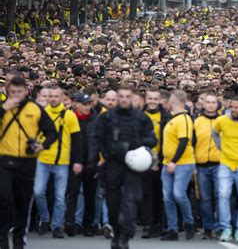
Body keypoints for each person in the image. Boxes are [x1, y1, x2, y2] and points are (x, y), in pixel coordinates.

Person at [89, 84, 156, 249]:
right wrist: (93, 161)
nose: (124, 99)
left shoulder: (141, 117)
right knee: (113, 204)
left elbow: (152, 139)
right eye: (122, 96)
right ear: (117, 98)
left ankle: (125, 235)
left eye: (128, 96)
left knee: (130, 201)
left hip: (133, 166)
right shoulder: (106, 117)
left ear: (132, 98)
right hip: (112, 164)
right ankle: (116, 233)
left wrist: (136, 147)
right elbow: (95, 139)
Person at [0, 76, 57, 249]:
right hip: (4, 160)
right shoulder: (3, 108)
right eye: (13, 92)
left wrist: (42, 145)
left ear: (26, 91)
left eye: (19, 92)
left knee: (22, 203)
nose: (16, 95)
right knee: (3, 199)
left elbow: (52, 132)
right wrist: (4, 109)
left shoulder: (35, 108)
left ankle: (19, 240)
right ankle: (2, 241)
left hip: (27, 162)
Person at [34, 86, 82, 239]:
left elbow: (77, 141)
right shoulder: (41, 114)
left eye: (56, 96)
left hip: (62, 161)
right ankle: (45, 219)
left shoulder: (70, 116)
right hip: (43, 159)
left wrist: (78, 161)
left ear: (62, 98)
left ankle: (56, 226)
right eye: (51, 96)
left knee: (60, 197)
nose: (53, 99)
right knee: (38, 192)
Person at [212, 96, 238, 243]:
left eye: (237, 107)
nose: (234, 110)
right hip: (226, 163)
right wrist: (220, 147)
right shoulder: (222, 120)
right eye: (232, 107)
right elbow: (214, 132)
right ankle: (226, 228)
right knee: (223, 195)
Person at [65, 92, 102, 237]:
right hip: (73, 162)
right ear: (76, 104)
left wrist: (98, 161)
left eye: (89, 104)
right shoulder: (70, 117)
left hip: (91, 162)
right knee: (72, 194)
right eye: (84, 104)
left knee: (90, 195)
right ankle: (70, 222)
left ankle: (88, 225)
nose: (87, 107)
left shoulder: (96, 119)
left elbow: (99, 141)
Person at [160, 90, 196, 241]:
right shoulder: (172, 118)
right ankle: (172, 229)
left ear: (175, 100)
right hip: (167, 162)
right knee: (168, 197)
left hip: (182, 163)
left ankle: (189, 222)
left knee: (179, 194)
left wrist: (174, 161)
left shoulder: (184, 119)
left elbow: (184, 141)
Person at [139, 87, 170, 238]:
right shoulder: (139, 116)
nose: (152, 102)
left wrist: (160, 157)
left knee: (160, 194)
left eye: (155, 99)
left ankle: (159, 223)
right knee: (146, 194)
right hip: (143, 160)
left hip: (161, 160)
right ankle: (147, 224)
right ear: (146, 100)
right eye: (150, 99)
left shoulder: (166, 116)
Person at [194, 93, 220, 239]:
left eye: (213, 102)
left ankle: (218, 226)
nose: (210, 105)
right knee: (205, 198)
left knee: (219, 196)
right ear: (204, 104)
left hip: (219, 164)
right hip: (201, 164)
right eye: (208, 102)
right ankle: (208, 227)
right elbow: (192, 143)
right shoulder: (197, 122)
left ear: (217, 104)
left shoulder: (223, 121)